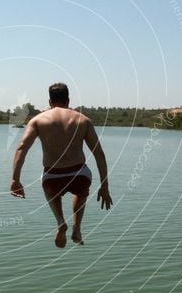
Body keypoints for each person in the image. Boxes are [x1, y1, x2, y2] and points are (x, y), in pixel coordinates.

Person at [10, 83, 112, 247]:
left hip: (52, 175)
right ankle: (77, 228)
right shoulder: (83, 120)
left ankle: (60, 222)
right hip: (80, 174)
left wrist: (15, 179)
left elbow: (22, 147)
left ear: (50, 101)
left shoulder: (38, 120)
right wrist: (104, 186)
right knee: (81, 192)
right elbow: (99, 154)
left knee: (51, 190)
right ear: (68, 100)